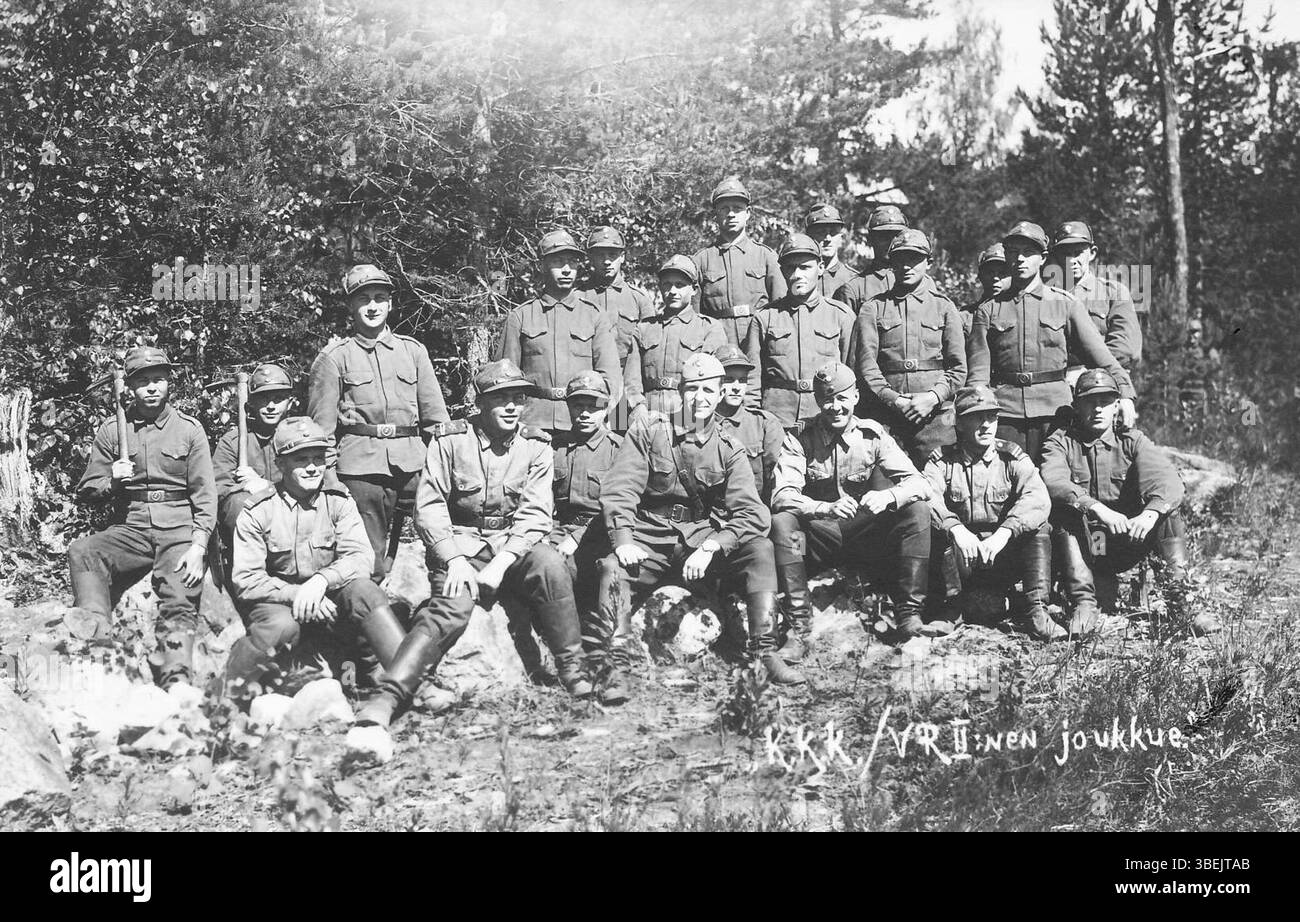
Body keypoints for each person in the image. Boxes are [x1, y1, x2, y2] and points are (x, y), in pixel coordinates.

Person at [598, 353, 804, 687]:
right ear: (680, 391)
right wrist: (623, 540)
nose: (701, 398)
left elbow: (753, 513)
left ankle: (764, 652)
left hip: (699, 539)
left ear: (721, 392)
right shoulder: (649, 430)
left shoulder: (728, 446)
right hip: (650, 536)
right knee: (612, 568)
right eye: (693, 389)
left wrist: (712, 546)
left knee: (760, 549)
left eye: (709, 390)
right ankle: (616, 664)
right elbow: (621, 487)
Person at [225, 417, 428, 727]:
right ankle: (227, 700)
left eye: (318, 458)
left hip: (329, 596)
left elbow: (361, 556)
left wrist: (321, 581)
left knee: (366, 592)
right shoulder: (258, 509)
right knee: (279, 625)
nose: (312, 467)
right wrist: (299, 594)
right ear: (280, 463)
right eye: (301, 459)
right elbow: (247, 580)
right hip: (279, 601)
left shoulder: (338, 500)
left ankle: (410, 684)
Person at [413, 359, 594, 697]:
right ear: (480, 402)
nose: (512, 406)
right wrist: (453, 560)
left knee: (550, 565)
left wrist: (501, 562)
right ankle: (403, 686)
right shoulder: (450, 440)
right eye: (501, 397)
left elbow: (536, 514)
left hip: (511, 549)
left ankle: (572, 668)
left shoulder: (536, 445)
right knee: (452, 608)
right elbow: (429, 507)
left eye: (519, 398)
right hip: (462, 547)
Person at [68, 346, 215, 687]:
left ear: (169, 384)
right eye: (143, 381)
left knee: (178, 595)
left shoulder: (189, 430)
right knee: (83, 551)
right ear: (129, 388)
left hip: (178, 528)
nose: (152, 387)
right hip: (132, 527)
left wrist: (199, 545)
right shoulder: (112, 430)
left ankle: (175, 676)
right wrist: (112, 479)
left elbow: (205, 494)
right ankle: (98, 637)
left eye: (159, 380)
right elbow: (88, 491)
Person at [1039, 370, 1220, 638]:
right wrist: (1096, 507)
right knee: (1065, 513)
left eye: (1106, 400)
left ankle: (1182, 604)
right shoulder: (1062, 441)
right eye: (1089, 401)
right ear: (1076, 406)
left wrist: (1148, 515)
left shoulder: (1133, 441)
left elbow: (1168, 481)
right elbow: (1053, 479)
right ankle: (1083, 604)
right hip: (1089, 543)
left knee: (1167, 514)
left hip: (1127, 540)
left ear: (1116, 406)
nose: (1097, 408)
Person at [770, 362, 932, 656]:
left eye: (842, 398)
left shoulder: (873, 435)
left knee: (917, 510)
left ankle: (909, 615)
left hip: (864, 535)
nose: (835, 407)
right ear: (817, 401)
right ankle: (799, 626)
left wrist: (889, 497)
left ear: (856, 397)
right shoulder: (799, 437)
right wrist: (824, 508)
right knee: (783, 522)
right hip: (818, 536)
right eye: (827, 399)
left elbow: (919, 483)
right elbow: (783, 496)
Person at [307, 264, 450, 583]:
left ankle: (441, 607)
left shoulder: (413, 352)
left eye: (379, 298)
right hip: (360, 471)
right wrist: (332, 482)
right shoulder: (335, 357)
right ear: (351, 306)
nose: (372, 306)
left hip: (414, 465)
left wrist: (444, 467)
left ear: (390, 304)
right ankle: (365, 620)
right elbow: (321, 432)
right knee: (366, 559)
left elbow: (436, 420)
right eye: (363, 299)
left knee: (445, 536)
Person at [966, 221, 1137, 462]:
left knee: (1056, 484)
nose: (1020, 259)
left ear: (1043, 258)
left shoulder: (1065, 305)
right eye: (1013, 253)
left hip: (1055, 414)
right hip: (1006, 414)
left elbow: (1103, 358)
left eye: (1028, 253)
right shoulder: (988, 311)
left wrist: (1126, 395)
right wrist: (975, 412)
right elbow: (978, 374)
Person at [922, 385, 1065, 640]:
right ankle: (949, 610)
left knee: (1039, 528)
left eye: (991, 417)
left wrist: (1005, 533)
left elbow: (1038, 498)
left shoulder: (1011, 457)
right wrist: (955, 529)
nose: (986, 424)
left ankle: (1037, 611)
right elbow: (926, 496)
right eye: (977, 417)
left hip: (1002, 555)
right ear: (961, 423)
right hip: (960, 560)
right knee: (934, 526)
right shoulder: (942, 461)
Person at [854, 228, 967, 466]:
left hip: (935, 418)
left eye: (914, 259)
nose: (906, 266)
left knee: (939, 482)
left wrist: (933, 397)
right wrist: (894, 400)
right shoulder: (873, 309)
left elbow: (958, 369)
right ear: (891, 264)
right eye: (899, 259)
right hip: (887, 415)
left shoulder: (944, 308)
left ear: (929, 263)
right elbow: (867, 367)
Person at [494, 230, 622, 439]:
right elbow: (505, 378)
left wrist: (596, 416)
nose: (566, 269)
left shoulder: (594, 316)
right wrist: (516, 423)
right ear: (542, 266)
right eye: (558, 262)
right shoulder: (521, 316)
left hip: (580, 423)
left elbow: (611, 379)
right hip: (532, 423)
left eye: (572, 262)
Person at [548, 372, 627, 703]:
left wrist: (576, 537)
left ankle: (614, 667)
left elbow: (620, 505)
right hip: (557, 531)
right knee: (545, 569)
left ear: (606, 409)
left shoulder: (622, 450)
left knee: (613, 571)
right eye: (577, 405)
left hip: (600, 535)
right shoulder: (554, 447)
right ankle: (568, 661)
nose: (584, 412)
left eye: (592, 406)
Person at [747, 234, 856, 427]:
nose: (797, 274)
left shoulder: (841, 315)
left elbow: (852, 373)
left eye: (805, 267)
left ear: (820, 268)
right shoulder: (765, 317)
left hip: (825, 415)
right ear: (782, 271)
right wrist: (755, 421)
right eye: (790, 268)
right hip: (777, 417)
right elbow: (752, 380)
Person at [623, 255, 728, 423]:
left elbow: (712, 381)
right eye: (667, 284)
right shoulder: (644, 328)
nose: (672, 291)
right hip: (648, 414)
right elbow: (631, 380)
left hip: (689, 414)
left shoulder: (709, 328)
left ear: (694, 289)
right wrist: (638, 408)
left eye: (679, 285)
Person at [212, 363, 294, 573]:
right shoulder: (234, 441)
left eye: (278, 399)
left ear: (290, 403)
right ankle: (251, 574)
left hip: (292, 519)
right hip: (248, 530)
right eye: (263, 399)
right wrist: (243, 488)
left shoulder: (300, 437)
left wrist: (267, 487)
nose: (271, 406)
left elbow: (313, 482)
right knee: (239, 503)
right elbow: (218, 488)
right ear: (251, 404)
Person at [692, 177, 785, 348]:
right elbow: (693, 316)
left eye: (737, 208)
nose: (731, 214)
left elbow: (782, 309)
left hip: (758, 339)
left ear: (748, 212)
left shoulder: (766, 256)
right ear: (715, 215)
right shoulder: (701, 260)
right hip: (718, 340)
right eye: (724, 209)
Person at [579, 225, 656, 430]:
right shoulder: (578, 297)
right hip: (587, 384)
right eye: (600, 254)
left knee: (621, 439)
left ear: (622, 257)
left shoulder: (639, 300)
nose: (606, 261)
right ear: (590, 257)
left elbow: (650, 350)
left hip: (625, 385)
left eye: (612, 254)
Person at [1048, 221, 1142, 383]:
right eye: (1065, 253)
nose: (1071, 260)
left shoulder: (1113, 293)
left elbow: (1125, 349)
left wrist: (1087, 375)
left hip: (1103, 382)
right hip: (1056, 383)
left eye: (1077, 253)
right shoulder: (1047, 297)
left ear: (1092, 253)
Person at [714, 344, 785, 504]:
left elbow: (772, 482)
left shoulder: (764, 424)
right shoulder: (698, 423)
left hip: (750, 513)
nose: (737, 388)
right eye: (729, 380)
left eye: (743, 380)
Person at [833, 204, 908, 313]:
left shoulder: (923, 282)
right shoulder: (854, 289)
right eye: (885, 236)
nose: (892, 243)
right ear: (871, 239)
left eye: (897, 236)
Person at [805, 203, 858, 298]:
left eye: (833, 232)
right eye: (821, 232)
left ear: (841, 238)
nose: (828, 238)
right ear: (810, 237)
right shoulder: (802, 278)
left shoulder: (853, 279)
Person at [962, 243, 1011, 340]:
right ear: (980, 276)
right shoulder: (965, 316)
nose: (996, 278)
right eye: (990, 272)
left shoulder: (1019, 313)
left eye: (1002, 273)